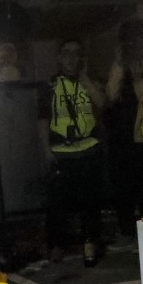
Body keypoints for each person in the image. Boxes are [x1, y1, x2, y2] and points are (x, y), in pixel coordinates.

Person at [38, 38, 106, 265]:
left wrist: (85, 77)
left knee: (90, 202)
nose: (70, 58)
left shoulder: (90, 81)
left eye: (76, 53)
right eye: (66, 53)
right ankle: (56, 245)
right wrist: (46, 150)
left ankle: (90, 244)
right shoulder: (49, 85)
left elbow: (102, 102)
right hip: (61, 151)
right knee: (57, 204)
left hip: (88, 149)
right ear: (59, 57)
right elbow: (42, 119)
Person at [106, 17, 143, 238]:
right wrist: (120, 66)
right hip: (120, 137)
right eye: (128, 41)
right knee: (123, 188)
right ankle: (127, 231)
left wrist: (139, 80)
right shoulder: (119, 64)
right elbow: (110, 95)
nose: (133, 45)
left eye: (137, 39)